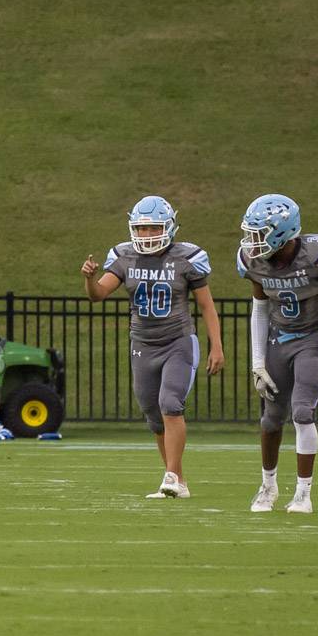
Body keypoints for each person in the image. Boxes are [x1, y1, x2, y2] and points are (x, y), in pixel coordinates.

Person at [81, 195, 225, 498]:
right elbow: (98, 294)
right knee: (153, 415)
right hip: (142, 344)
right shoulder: (124, 256)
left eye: (154, 228)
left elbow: (207, 306)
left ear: (170, 227)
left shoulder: (187, 257)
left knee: (170, 404)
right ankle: (178, 480)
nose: (147, 235)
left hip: (178, 341)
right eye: (142, 229)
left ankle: (171, 475)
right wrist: (90, 280)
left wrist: (217, 346)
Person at [237, 193, 318, 514]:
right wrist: (257, 363)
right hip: (278, 340)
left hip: (314, 338)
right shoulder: (254, 261)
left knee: (302, 412)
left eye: (259, 233)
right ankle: (268, 486)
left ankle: (303, 493)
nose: (251, 241)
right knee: (272, 418)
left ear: (282, 232)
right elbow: (259, 310)